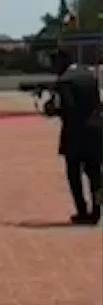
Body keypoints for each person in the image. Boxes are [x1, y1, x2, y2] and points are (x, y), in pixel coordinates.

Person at [46, 50, 101, 224]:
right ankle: (97, 210)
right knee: (94, 173)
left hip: (75, 133)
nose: (53, 68)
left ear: (63, 62)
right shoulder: (89, 75)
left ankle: (82, 210)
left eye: (55, 63)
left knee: (74, 173)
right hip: (96, 129)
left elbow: (69, 109)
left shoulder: (64, 81)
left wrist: (53, 110)